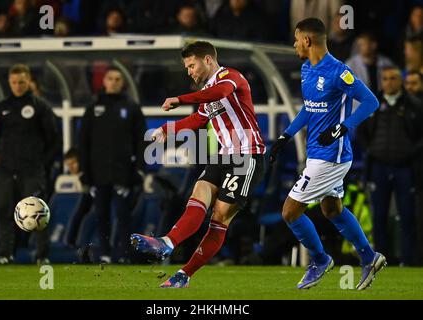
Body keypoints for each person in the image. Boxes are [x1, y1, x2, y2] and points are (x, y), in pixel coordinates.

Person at [131, 41, 266, 288]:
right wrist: (165, 129)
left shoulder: (229, 77)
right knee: (199, 192)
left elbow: (221, 93)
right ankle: (167, 243)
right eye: (186, 67)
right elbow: (197, 119)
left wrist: (180, 99)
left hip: (247, 156)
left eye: (191, 65)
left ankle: (185, 273)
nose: (189, 71)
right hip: (224, 155)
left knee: (220, 217)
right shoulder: (207, 94)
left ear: (207, 60)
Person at [270, 18, 384, 290]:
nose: (295, 44)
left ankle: (320, 260)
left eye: (297, 39)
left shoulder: (338, 71)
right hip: (316, 153)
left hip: (331, 156)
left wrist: (341, 129)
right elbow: (309, 108)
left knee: (289, 212)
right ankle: (369, 257)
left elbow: (370, 101)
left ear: (308, 40)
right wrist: (286, 135)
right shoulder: (307, 69)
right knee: (331, 209)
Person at [0, 64, 60, 266]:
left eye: (21, 82)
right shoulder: (2, 107)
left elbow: (53, 139)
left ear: (29, 81)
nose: (17, 86)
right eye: (13, 82)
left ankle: (41, 255)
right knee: (3, 211)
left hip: (32, 170)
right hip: (6, 170)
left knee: (38, 213)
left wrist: (41, 163)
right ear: (9, 83)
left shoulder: (40, 106)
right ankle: (5, 254)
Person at [79, 66, 146, 264]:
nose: (114, 82)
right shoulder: (93, 109)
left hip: (124, 174)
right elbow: (83, 142)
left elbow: (142, 141)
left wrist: (139, 171)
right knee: (101, 216)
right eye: (110, 78)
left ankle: (124, 254)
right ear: (104, 81)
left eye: (118, 79)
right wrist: (85, 173)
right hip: (98, 174)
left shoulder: (132, 108)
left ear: (123, 82)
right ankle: (106, 254)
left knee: (124, 216)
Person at [357, 66, 423, 266]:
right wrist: (371, 150)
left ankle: (408, 260)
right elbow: (361, 132)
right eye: (384, 78)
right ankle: (381, 260)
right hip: (379, 167)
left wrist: (410, 152)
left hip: (405, 168)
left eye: (393, 78)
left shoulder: (415, 105)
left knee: (407, 216)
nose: (388, 82)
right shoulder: (372, 105)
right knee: (379, 216)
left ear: (400, 80)